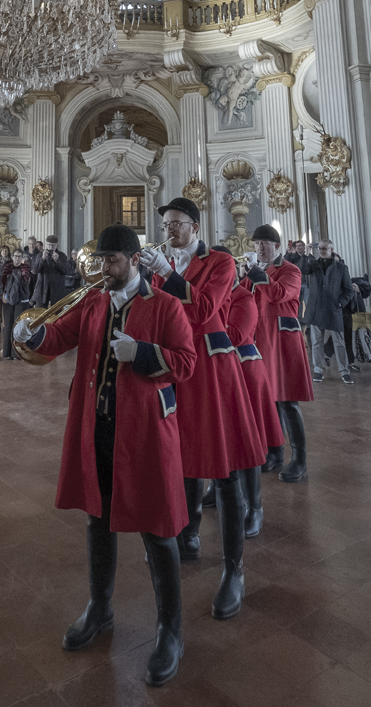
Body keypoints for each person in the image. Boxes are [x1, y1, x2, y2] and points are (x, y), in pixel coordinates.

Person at [12, 224, 197, 687]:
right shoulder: (93, 302)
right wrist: (31, 336)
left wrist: (144, 352)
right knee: (97, 518)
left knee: (158, 530)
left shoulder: (166, 305)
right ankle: (100, 608)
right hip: (97, 427)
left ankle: (169, 631)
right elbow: (58, 339)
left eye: (110, 261)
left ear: (134, 260)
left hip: (147, 434)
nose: (102, 269)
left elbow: (188, 362)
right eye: (99, 261)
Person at [140, 197, 266, 621]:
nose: (168, 230)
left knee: (224, 468)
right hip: (175, 365)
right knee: (181, 456)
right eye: (165, 224)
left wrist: (164, 273)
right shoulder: (160, 264)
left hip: (211, 370)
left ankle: (234, 569)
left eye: (176, 224)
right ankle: (189, 533)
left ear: (195, 226)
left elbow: (205, 308)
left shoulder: (220, 262)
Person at [242, 225, 313, 483]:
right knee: (267, 400)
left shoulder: (290, 270)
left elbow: (279, 294)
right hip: (261, 340)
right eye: (257, 243)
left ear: (277, 247)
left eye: (265, 243)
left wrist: (255, 275)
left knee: (287, 401)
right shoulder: (256, 272)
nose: (260, 248)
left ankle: (300, 459)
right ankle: (274, 453)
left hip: (282, 341)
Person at [222, 276, 285, 538]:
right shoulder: (218, 298)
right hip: (222, 374)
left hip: (246, 372)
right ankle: (219, 490)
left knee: (248, 439)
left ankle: (254, 507)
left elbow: (235, 335)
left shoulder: (243, 298)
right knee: (222, 436)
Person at [301, 240, 355, 384]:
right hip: (317, 308)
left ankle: (344, 371)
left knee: (339, 342)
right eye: (319, 249)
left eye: (324, 249)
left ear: (331, 249)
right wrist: (307, 254)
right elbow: (303, 270)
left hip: (333, 308)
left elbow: (349, 290)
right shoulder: (313, 264)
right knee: (316, 341)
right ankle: (318, 370)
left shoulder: (341, 268)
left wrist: (340, 303)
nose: (321, 251)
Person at [3, 250, 32, 360]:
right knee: (8, 325)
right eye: (15, 256)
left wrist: (15, 275)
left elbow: (25, 279)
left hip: (22, 299)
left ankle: (16, 353)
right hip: (9, 299)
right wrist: (3, 294)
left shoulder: (26, 268)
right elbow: (3, 281)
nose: (17, 258)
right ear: (12, 257)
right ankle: (7, 353)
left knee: (18, 327)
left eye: (19, 257)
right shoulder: (7, 267)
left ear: (22, 258)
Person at [31, 236, 71, 309]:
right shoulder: (40, 255)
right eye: (49, 245)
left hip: (57, 290)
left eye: (53, 245)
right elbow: (34, 270)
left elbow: (67, 271)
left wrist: (57, 261)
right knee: (40, 314)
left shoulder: (62, 256)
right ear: (46, 244)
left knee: (56, 314)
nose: (50, 247)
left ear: (57, 245)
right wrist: (42, 259)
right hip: (42, 290)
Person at [0, 245, 14, 333]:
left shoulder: (11, 262)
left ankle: (5, 325)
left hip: (7, 284)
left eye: (6, 251)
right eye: (2, 251)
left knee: (6, 305)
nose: (4, 252)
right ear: (0, 252)